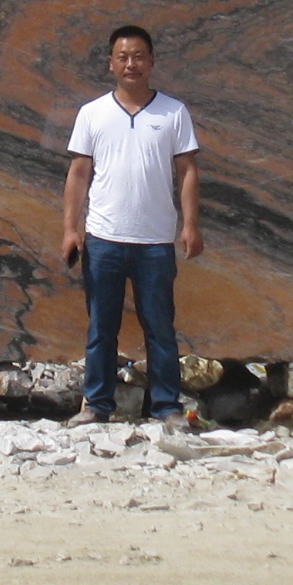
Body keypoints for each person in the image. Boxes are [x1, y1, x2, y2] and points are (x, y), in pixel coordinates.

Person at [59, 24, 202, 425]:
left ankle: (167, 407)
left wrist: (190, 225)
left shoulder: (173, 112)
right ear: (110, 64)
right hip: (104, 238)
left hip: (155, 241)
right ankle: (97, 405)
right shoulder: (92, 113)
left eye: (139, 56)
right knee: (102, 327)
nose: (131, 64)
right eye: (122, 57)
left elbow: (187, 171)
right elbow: (79, 173)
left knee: (159, 327)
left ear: (152, 61)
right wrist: (72, 228)